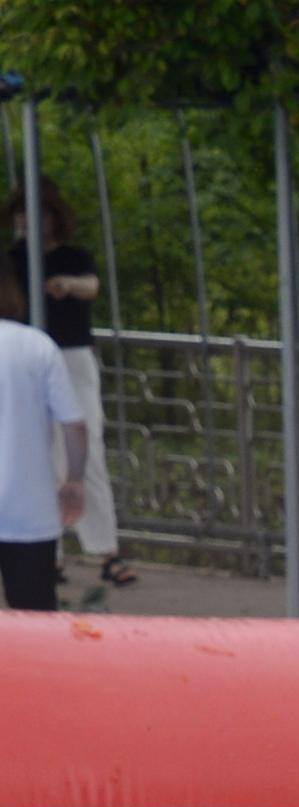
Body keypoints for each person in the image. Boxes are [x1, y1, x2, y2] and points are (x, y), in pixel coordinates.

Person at [7, 184, 121, 589]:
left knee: (86, 448)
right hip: (30, 358)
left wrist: (67, 285)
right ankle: (47, 550)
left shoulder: (72, 257)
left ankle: (105, 548)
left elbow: (91, 285)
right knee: (37, 452)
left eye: (34, 213)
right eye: (20, 213)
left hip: (71, 355)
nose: (25, 221)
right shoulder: (15, 259)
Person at [0, 300, 82, 613]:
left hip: (29, 510)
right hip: (28, 509)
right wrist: (74, 480)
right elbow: (74, 424)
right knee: (35, 618)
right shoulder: (36, 345)